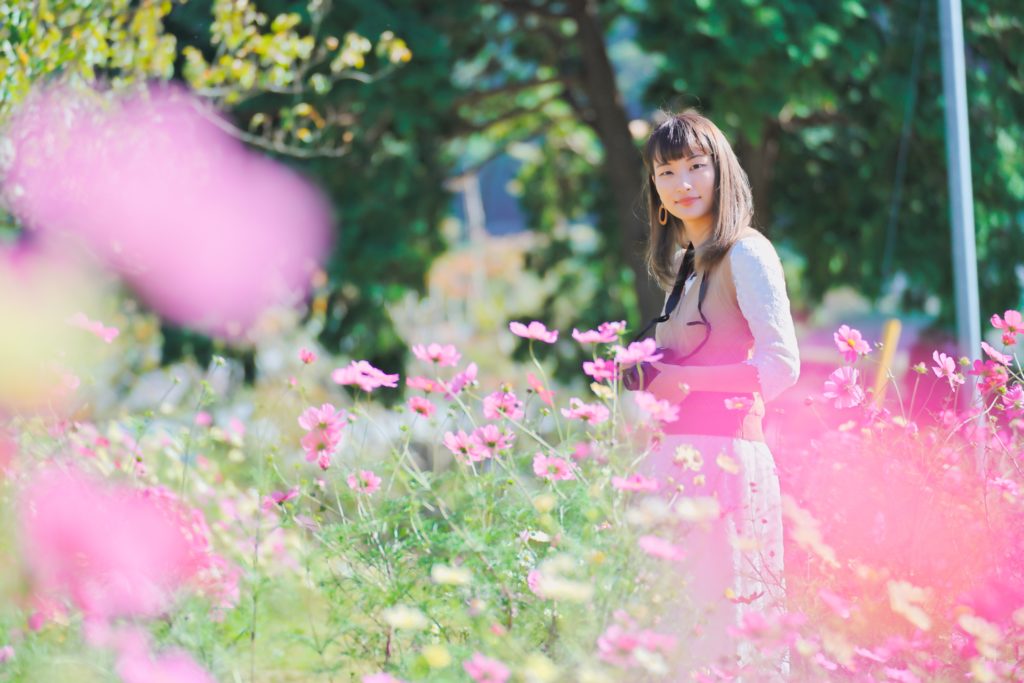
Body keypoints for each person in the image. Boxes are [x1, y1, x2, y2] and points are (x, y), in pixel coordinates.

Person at [636, 110, 800, 679]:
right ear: (655, 190)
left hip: (726, 462)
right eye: (666, 173)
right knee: (679, 639)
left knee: (729, 639)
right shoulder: (686, 265)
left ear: (721, 171)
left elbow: (782, 365)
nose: (682, 183)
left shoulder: (746, 253)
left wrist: (686, 380)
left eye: (695, 166)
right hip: (679, 462)